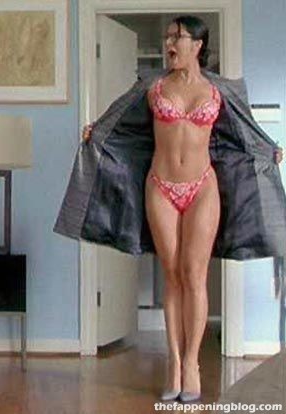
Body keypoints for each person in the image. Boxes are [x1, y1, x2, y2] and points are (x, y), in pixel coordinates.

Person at [55, 16, 286, 403]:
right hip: (160, 186)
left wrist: (268, 150)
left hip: (203, 187)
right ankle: (174, 364)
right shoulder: (152, 86)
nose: (169, 44)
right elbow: (117, 118)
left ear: (197, 45)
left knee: (194, 274)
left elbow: (245, 130)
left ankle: (192, 364)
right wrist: (96, 132)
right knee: (173, 274)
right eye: (167, 37)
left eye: (177, 37)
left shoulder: (220, 90)